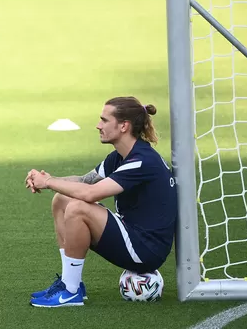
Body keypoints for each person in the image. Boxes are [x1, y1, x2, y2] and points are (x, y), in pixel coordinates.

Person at [25, 96, 178, 308]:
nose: (98, 125)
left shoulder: (142, 161)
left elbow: (90, 194)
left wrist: (49, 182)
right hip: (132, 234)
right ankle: (71, 283)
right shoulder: (120, 156)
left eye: (104, 120)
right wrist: (49, 181)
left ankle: (70, 292)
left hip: (146, 250)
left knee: (78, 207)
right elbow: (83, 181)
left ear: (123, 126)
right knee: (62, 199)